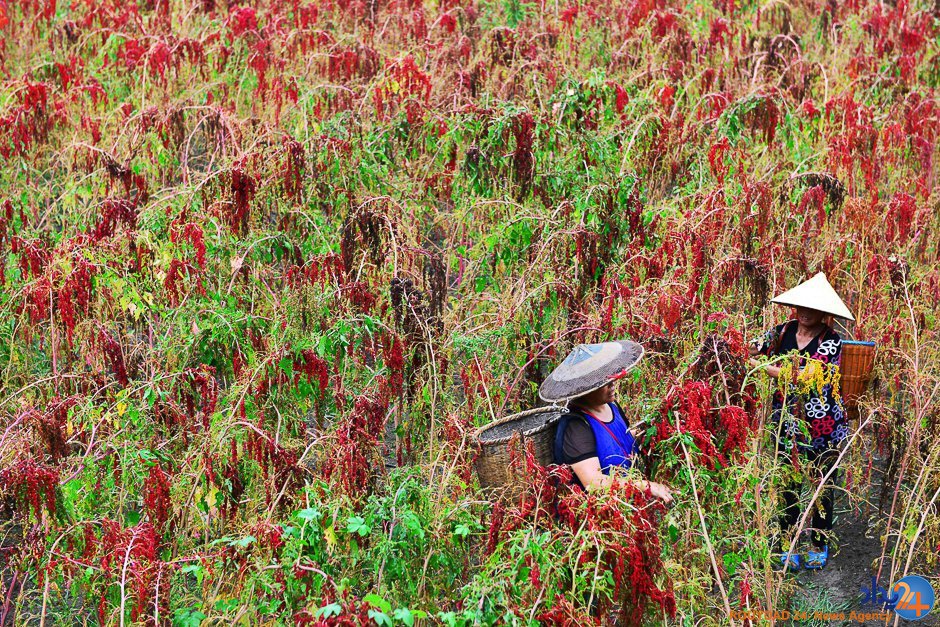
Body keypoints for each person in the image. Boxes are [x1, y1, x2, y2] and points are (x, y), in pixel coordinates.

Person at [748, 272, 853, 571]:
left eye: (813, 307)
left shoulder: (831, 341)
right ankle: (787, 544)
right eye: (801, 306)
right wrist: (747, 351)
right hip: (786, 419)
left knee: (821, 484)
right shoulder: (783, 331)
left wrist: (762, 365)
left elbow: (806, 378)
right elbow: (751, 347)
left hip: (823, 425)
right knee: (787, 483)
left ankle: (818, 545)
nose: (805, 313)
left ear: (824, 312)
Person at [539, 341, 673, 502]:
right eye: (604, 382)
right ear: (585, 388)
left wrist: (648, 431)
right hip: (599, 516)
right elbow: (593, 483)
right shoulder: (576, 426)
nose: (612, 384)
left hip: (628, 501)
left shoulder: (611, 405)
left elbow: (614, 440)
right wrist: (646, 486)